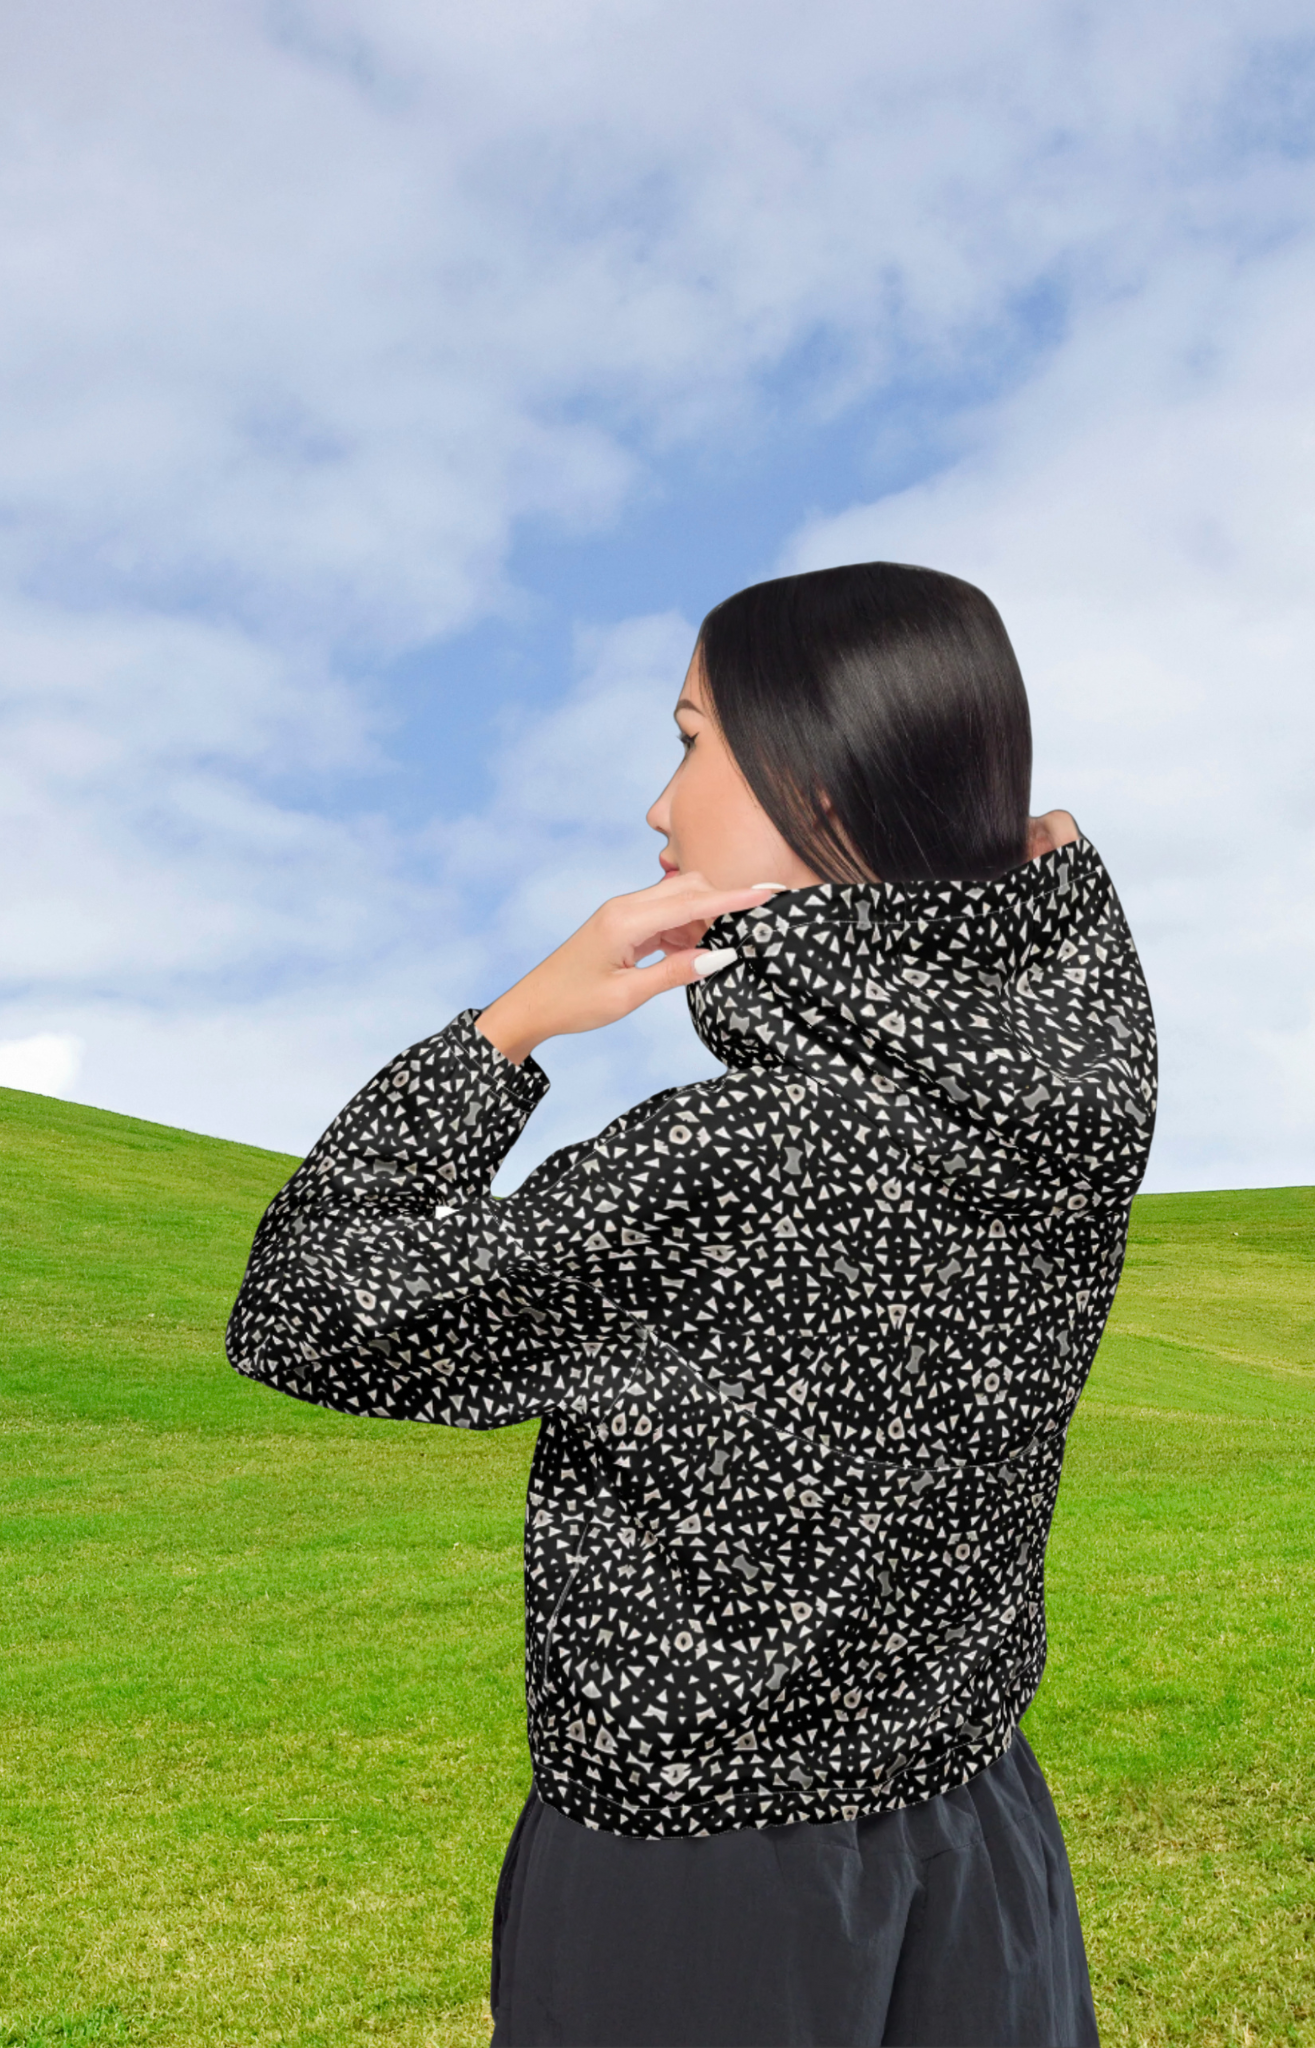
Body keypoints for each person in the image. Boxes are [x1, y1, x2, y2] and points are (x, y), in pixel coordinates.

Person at [226, 561, 1157, 2047]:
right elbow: (1056, 925)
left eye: (688, 740)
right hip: (979, 1827)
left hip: (703, 1879)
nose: (660, 809)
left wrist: (513, 1024)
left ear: (817, 773)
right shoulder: (1081, 1090)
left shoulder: (732, 1158)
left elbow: (304, 1308)